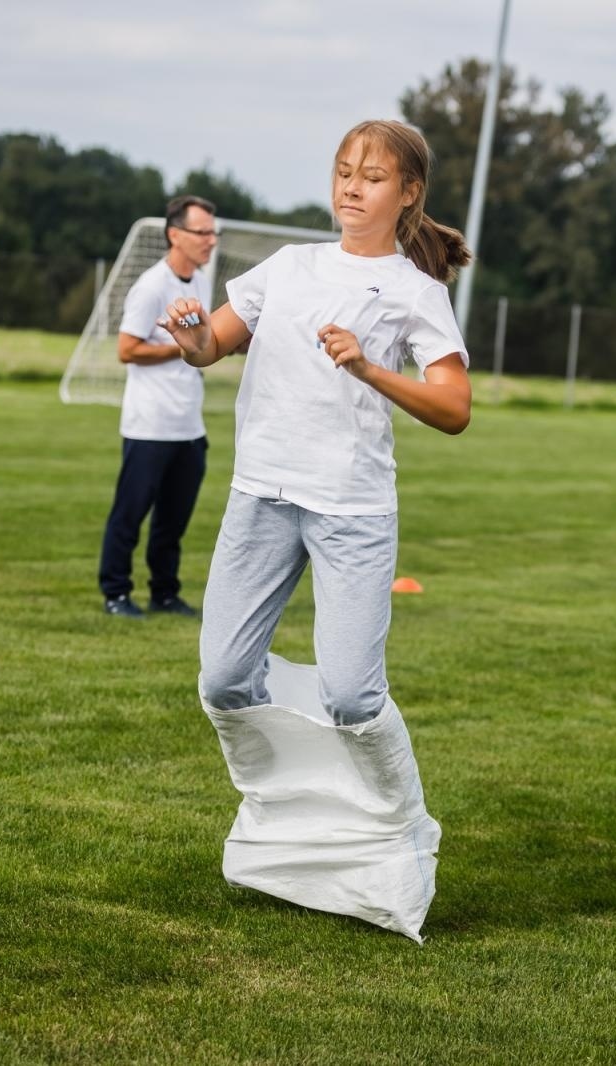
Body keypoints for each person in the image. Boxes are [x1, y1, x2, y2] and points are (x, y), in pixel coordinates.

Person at [158, 120, 470, 937]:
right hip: (261, 498)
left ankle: (399, 833)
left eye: (371, 176)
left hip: (353, 513)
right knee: (225, 681)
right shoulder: (288, 268)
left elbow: (455, 408)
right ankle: (298, 831)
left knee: (351, 694)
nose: (351, 187)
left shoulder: (414, 291)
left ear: (407, 194)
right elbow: (210, 347)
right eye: (342, 172)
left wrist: (370, 367)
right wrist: (193, 339)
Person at [97, 194, 218, 619]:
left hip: (189, 426)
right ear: (174, 235)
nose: (211, 240)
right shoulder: (151, 286)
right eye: (202, 232)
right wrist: (182, 348)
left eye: (212, 232)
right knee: (129, 516)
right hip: (150, 426)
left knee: (173, 521)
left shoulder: (201, 282)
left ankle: (165, 593)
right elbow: (127, 349)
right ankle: (115, 593)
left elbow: (204, 343)